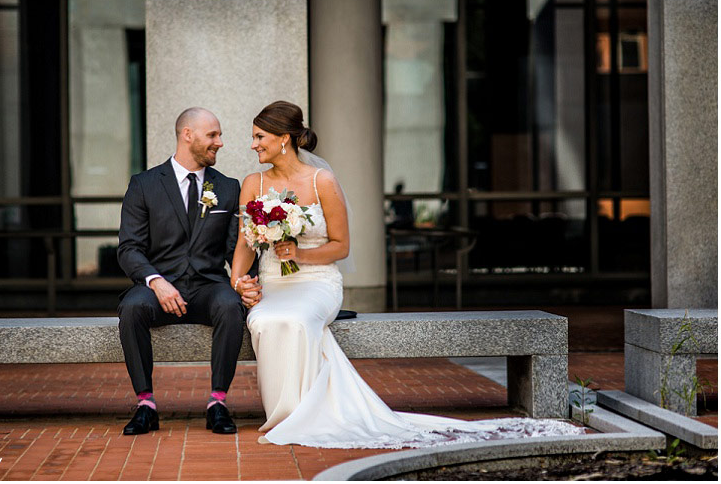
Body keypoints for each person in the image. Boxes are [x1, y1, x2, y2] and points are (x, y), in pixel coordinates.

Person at [230, 101, 584, 448]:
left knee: (294, 321)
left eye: (260, 136)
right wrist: (238, 281)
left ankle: (293, 416)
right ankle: (289, 412)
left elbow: (341, 247)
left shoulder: (323, 181)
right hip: (274, 282)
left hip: (316, 282)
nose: (253, 144)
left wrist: (299, 253)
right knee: (264, 319)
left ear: (283, 139)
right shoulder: (253, 184)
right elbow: (247, 243)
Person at [116, 107, 244, 436]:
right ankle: (146, 404)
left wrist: (250, 281)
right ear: (188, 135)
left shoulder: (228, 188)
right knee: (131, 308)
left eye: (219, 135)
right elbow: (129, 248)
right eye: (213, 135)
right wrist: (156, 282)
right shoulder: (143, 184)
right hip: (158, 288)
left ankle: (218, 403)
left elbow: (234, 249)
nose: (220, 142)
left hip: (207, 287)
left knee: (231, 305)